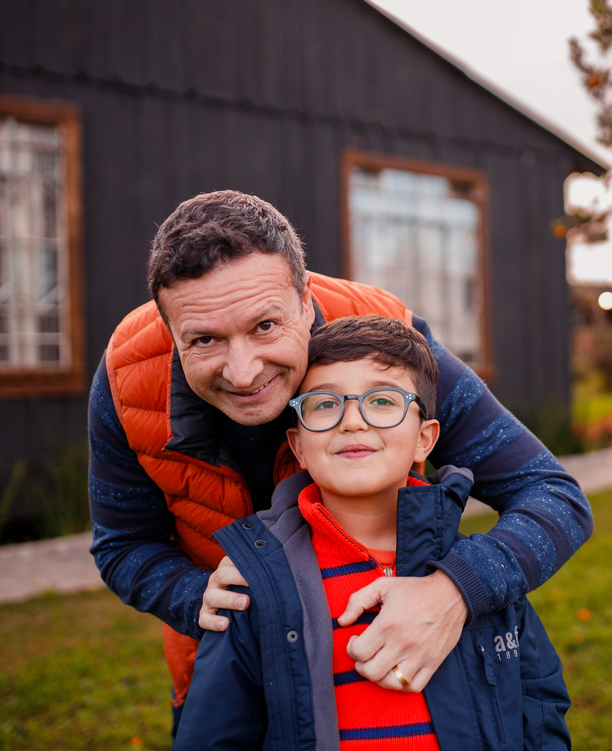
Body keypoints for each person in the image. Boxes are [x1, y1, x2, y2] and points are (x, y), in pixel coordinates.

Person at [88, 190, 591, 734]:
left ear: (305, 301)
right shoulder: (126, 376)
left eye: (264, 327)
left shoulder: (388, 344)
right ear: (169, 329)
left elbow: (552, 494)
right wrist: (193, 598)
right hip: (231, 685)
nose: (242, 371)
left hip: (415, 671)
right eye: (205, 339)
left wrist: (454, 591)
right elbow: (123, 546)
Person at [173, 316, 572, 750]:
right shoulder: (254, 584)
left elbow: (540, 705)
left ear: (425, 439)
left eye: (382, 401)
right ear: (298, 446)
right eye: (324, 405)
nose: (352, 421)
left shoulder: (481, 573)